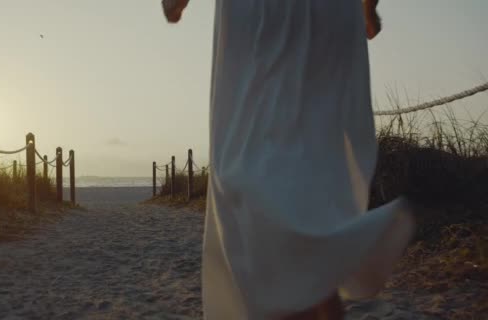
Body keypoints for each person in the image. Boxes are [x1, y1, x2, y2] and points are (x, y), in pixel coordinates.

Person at [162, 1, 415, 319]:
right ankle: (318, 278)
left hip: (267, 18)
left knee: (256, 175)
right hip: (327, 16)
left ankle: (301, 284)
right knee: (301, 183)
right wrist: (367, 8)